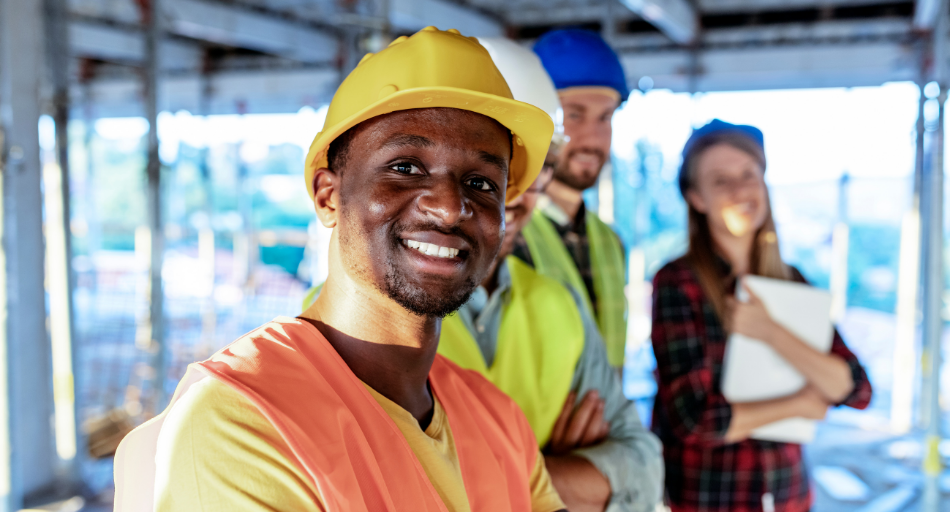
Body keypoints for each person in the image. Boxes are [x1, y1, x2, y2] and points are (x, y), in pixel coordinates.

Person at [113, 27, 568, 512]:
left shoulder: (497, 420)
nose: (450, 207)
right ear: (328, 196)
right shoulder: (241, 423)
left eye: (480, 181)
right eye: (406, 168)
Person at [437, 38, 663, 512]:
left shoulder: (600, 248)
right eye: (574, 113)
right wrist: (555, 470)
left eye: (606, 117)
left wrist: (593, 453)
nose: (511, 195)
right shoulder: (372, 308)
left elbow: (640, 462)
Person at [650, 119, 873, 512]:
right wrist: (799, 404)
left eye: (748, 175)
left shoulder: (792, 282)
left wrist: (771, 332)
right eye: (720, 180)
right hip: (708, 498)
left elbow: (855, 388)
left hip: (788, 496)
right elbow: (694, 420)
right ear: (696, 198)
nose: (739, 189)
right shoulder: (678, 283)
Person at [512, 28, 629, 369]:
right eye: (574, 114)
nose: (593, 137)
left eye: (605, 117)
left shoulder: (610, 242)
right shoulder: (501, 232)